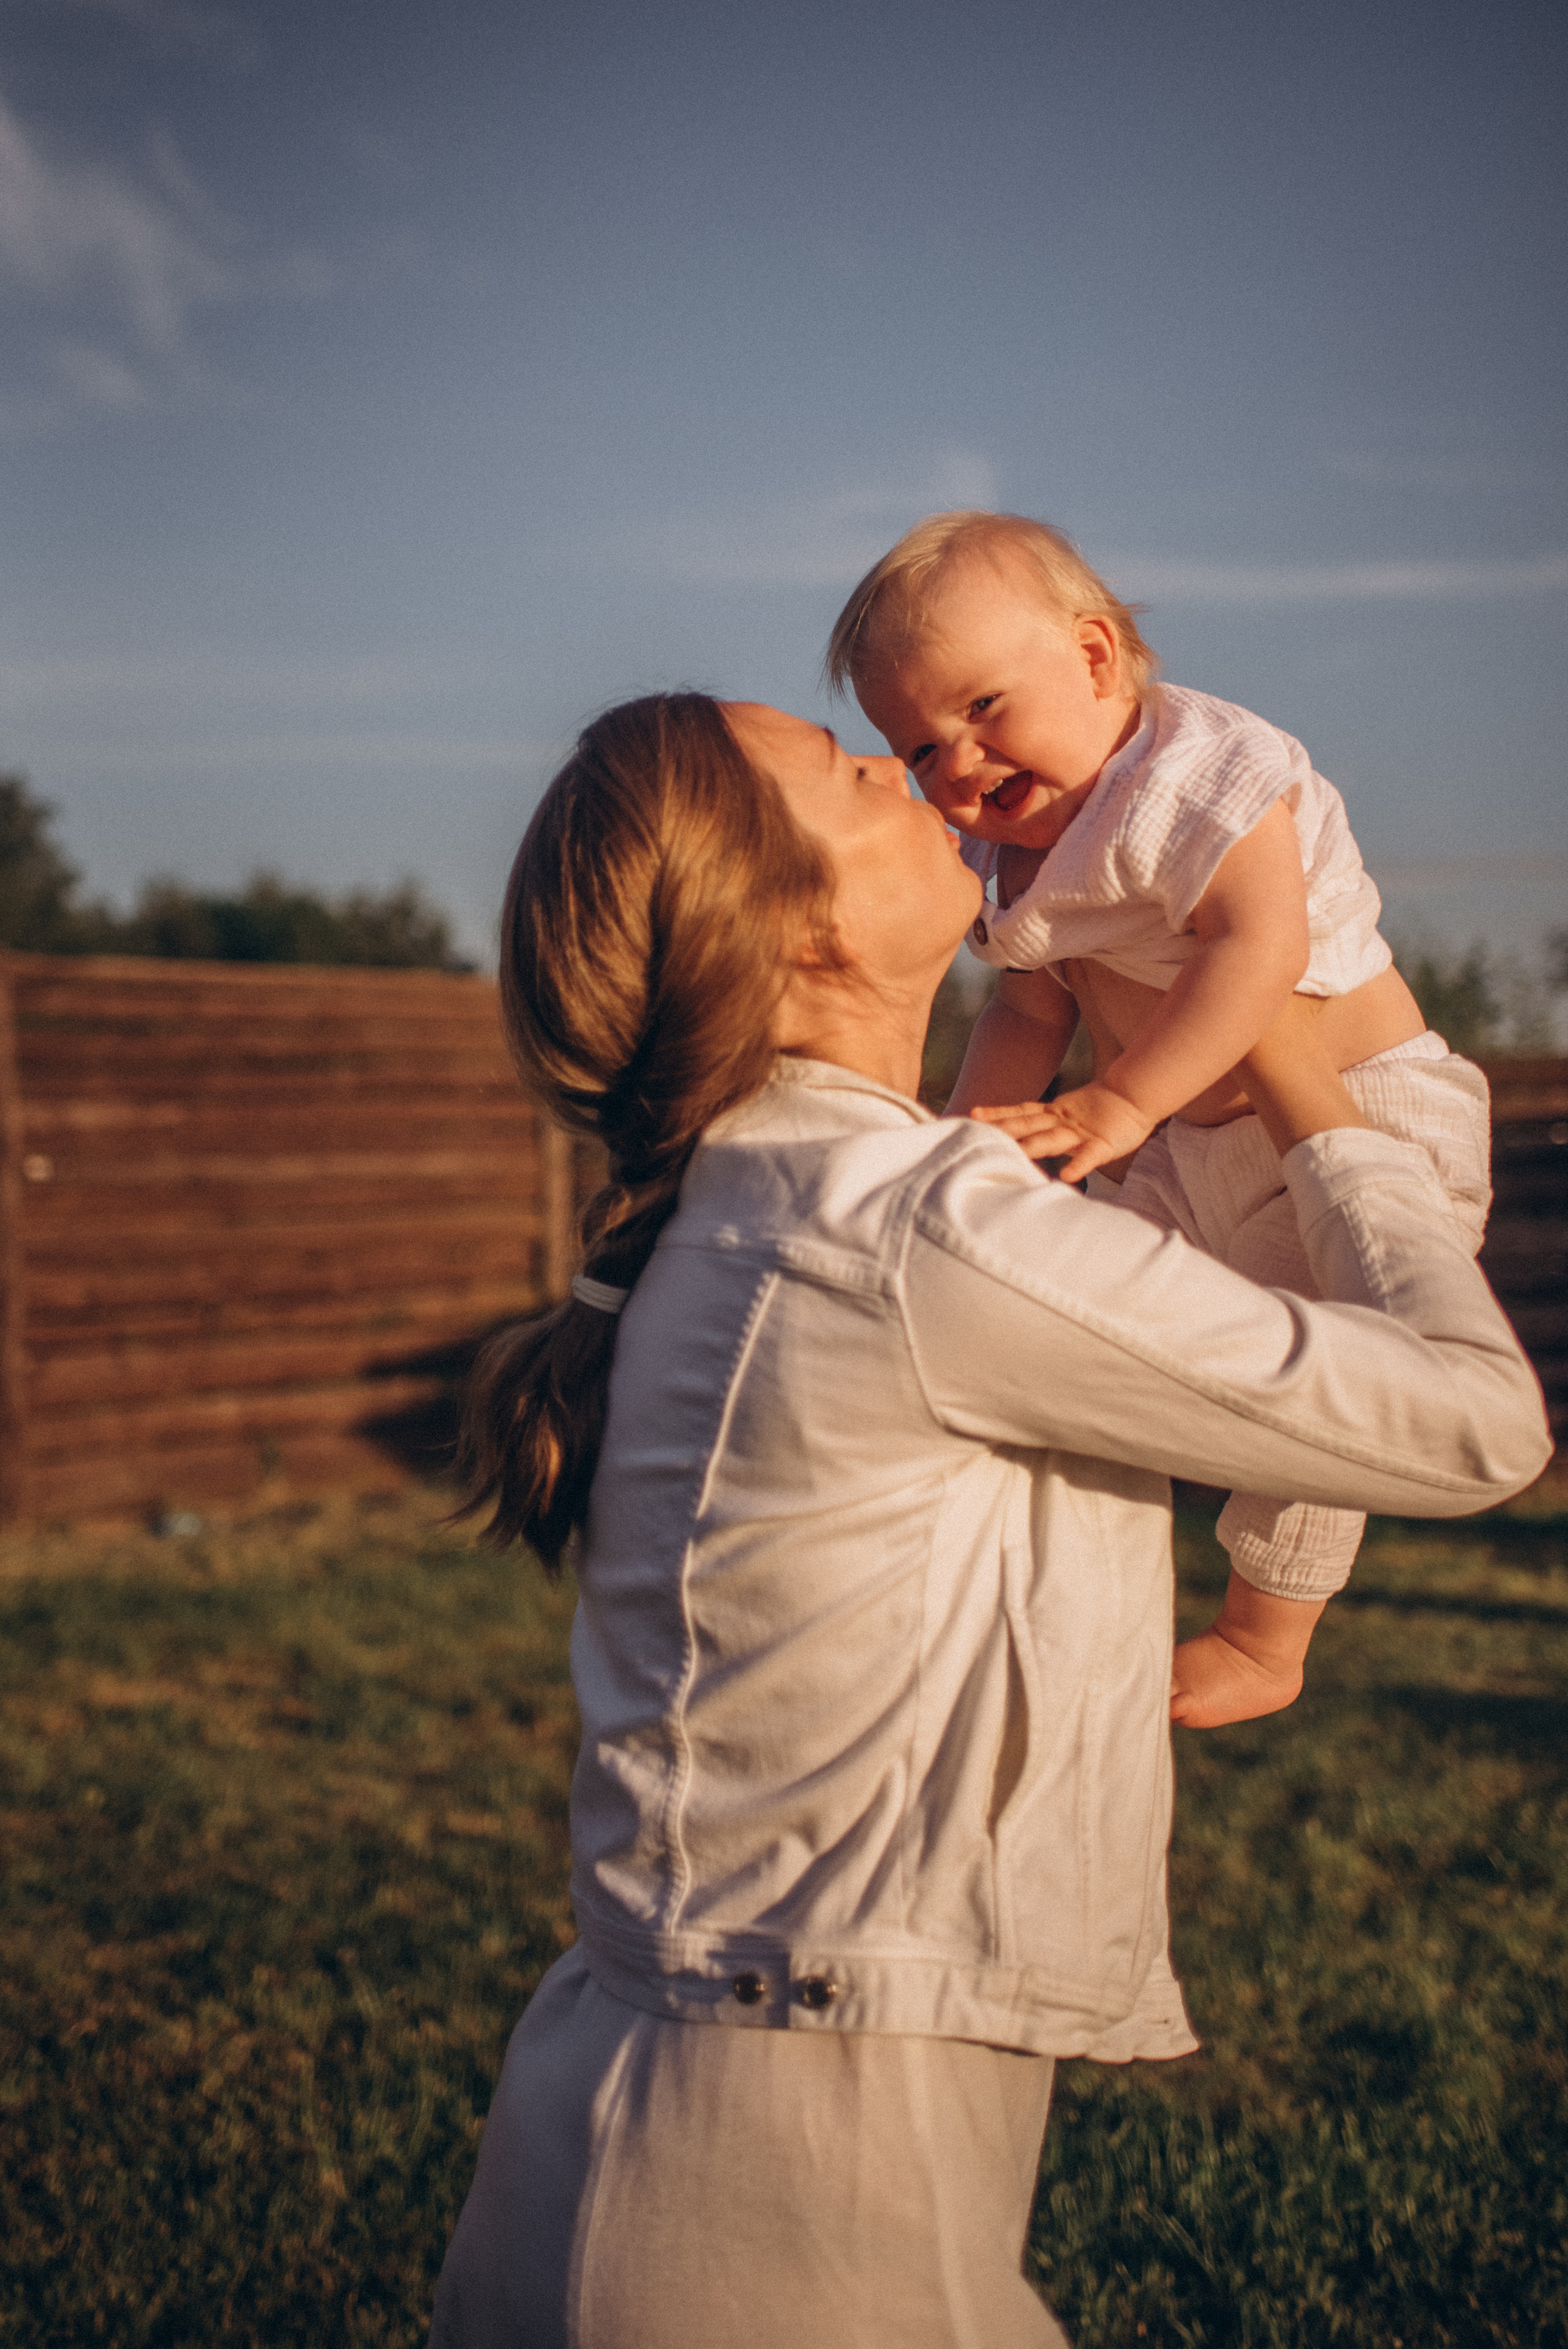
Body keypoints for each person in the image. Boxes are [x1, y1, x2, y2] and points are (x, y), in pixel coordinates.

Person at [429, 693, 1547, 2349]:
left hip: (696, 2120)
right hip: (769, 2197)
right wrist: (1312, 1073)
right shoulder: (910, 1230)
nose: (909, 772)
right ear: (798, 925)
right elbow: (1475, 1421)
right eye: (851, 770)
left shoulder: (799, 1199)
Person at [825, 510, 1493, 1716]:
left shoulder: (1194, 775)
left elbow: (1259, 947)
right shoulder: (1012, 866)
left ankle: (1263, 1639)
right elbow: (1027, 1020)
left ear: (1091, 660)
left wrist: (1120, 1097)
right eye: (918, 750)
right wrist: (959, 1150)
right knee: (1067, 1303)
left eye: (980, 710)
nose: (957, 767)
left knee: (1340, 1374)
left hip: (1355, 1121)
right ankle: (1005, 1554)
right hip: (1183, 1142)